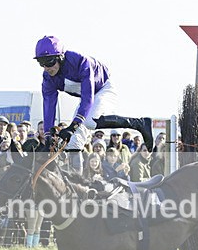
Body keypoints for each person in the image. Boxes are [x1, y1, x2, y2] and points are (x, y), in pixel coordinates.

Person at [33, 35, 153, 171]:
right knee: (73, 142)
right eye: (41, 63)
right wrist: (48, 135)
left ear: (60, 57)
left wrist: (72, 127)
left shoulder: (81, 62)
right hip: (87, 97)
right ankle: (75, 184)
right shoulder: (47, 79)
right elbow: (49, 106)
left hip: (103, 89)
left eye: (49, 62)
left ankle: (140, 123)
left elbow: (87, 98)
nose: (46, 68)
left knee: (89, 122)